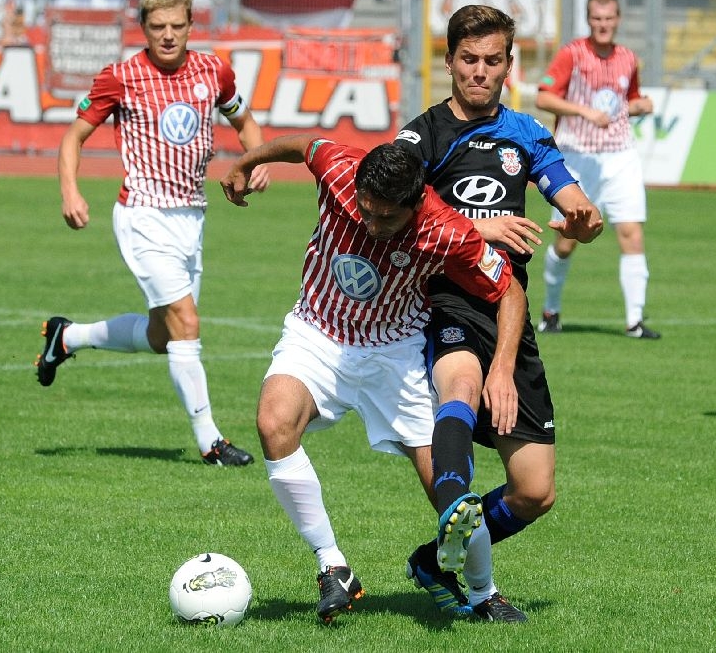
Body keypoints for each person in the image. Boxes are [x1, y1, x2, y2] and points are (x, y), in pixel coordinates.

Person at [219, 136, 527, 624]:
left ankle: (484, 593)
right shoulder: (339, 168)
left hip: (395, 352)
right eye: (366, 210)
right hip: (317, 332)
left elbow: (508, 289)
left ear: (416, 202)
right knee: (273, 422)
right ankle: (332, 565)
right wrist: (244, 163)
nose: (372, 223)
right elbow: (303, 145)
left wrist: (504, 365)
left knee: (448, 493)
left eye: (387, 218)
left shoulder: (447, 231)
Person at [394, 4, 604, 623]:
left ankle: (435, 559)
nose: (479, 72)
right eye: (468, 60)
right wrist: (483, 225)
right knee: (459, 380)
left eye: (492, 61)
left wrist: (585, 221)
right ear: (450, 61)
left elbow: (571, 201)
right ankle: (455, 503)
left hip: (509, 313)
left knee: (535, 491)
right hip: (443, 300)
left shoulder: (527, 133)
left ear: (508, 65)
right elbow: (390, 215)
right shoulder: (423, 136)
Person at [36, 0, 270, 465]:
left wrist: (256, 161)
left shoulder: (214, 71)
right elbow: (72, 137)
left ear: (190, 25)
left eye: (177, 26)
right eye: (157, 27)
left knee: (165, 337)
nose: (168, 36)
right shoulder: (120, 77)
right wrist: (70, 191)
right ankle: (211, 442)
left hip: (192, 218)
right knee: (187, 324)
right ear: (143, 28)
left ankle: (67, 337)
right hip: (142, 215)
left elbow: (245, 123)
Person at [535, 0, 660, 340]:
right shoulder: (571, 54)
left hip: (621, 156)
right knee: (567, 239)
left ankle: (634, 321)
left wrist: (641, 104)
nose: (603, 25)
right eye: (597, 19)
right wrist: (584, 111)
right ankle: (551, 310)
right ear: (589, 20)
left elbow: (628, 100)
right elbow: (543, 97)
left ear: (618, 20)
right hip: (576, 156)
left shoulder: (628, 58)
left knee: (631, 233)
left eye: (609, 18)